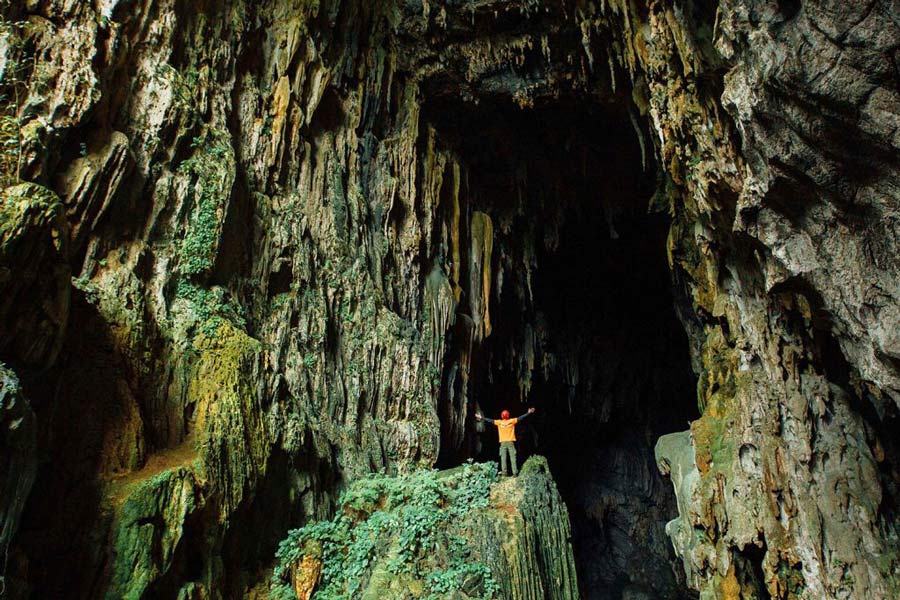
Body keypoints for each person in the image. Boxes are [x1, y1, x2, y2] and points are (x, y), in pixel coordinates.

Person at [475, 407, 536, 476]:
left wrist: (481, 417)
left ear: (501, 416)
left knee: (503, 458)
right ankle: (515, 473)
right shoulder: (512, 421)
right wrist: (528, 413)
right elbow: (520, 418)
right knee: (513, 457)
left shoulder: (499, 422)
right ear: (508, 415)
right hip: (510, 442)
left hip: (503, 443)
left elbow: (490, 420)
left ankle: (504, 473)